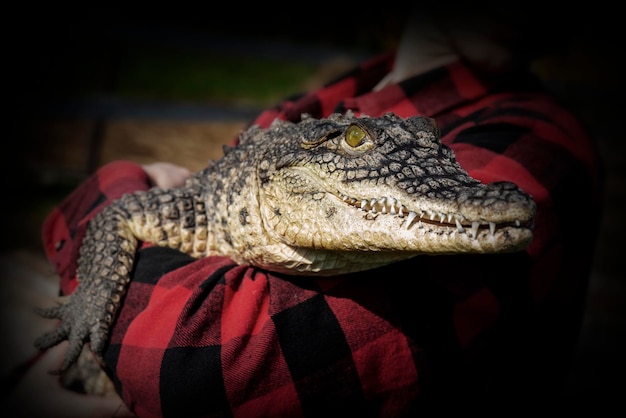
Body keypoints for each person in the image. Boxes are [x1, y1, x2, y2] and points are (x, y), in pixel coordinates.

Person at [7, 2, 604, 416]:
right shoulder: (335, 94)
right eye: (357, 141)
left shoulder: (537, 138)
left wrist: (113, 183)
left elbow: (199, 374)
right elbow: (123, 220)